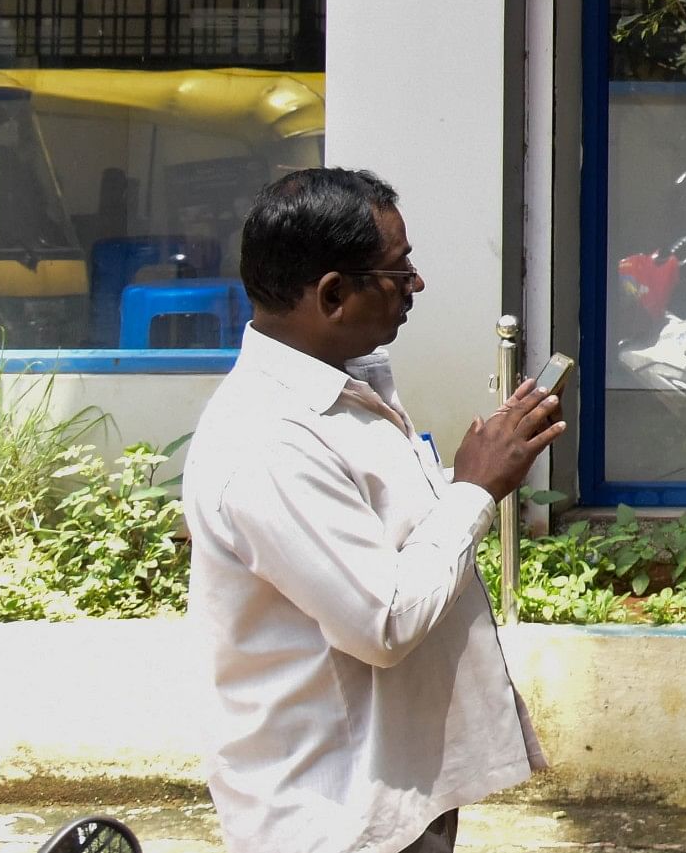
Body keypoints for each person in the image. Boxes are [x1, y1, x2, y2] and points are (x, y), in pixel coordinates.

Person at [184, 167, 567, 853]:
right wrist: (474, 490)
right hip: (332, 815)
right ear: (333, 293)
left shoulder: (345, 391)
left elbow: (392, 541)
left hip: (396, 793)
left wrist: (472, 475)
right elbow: (382, 619)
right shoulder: (269, 438)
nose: (415, 284)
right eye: (398, 270)